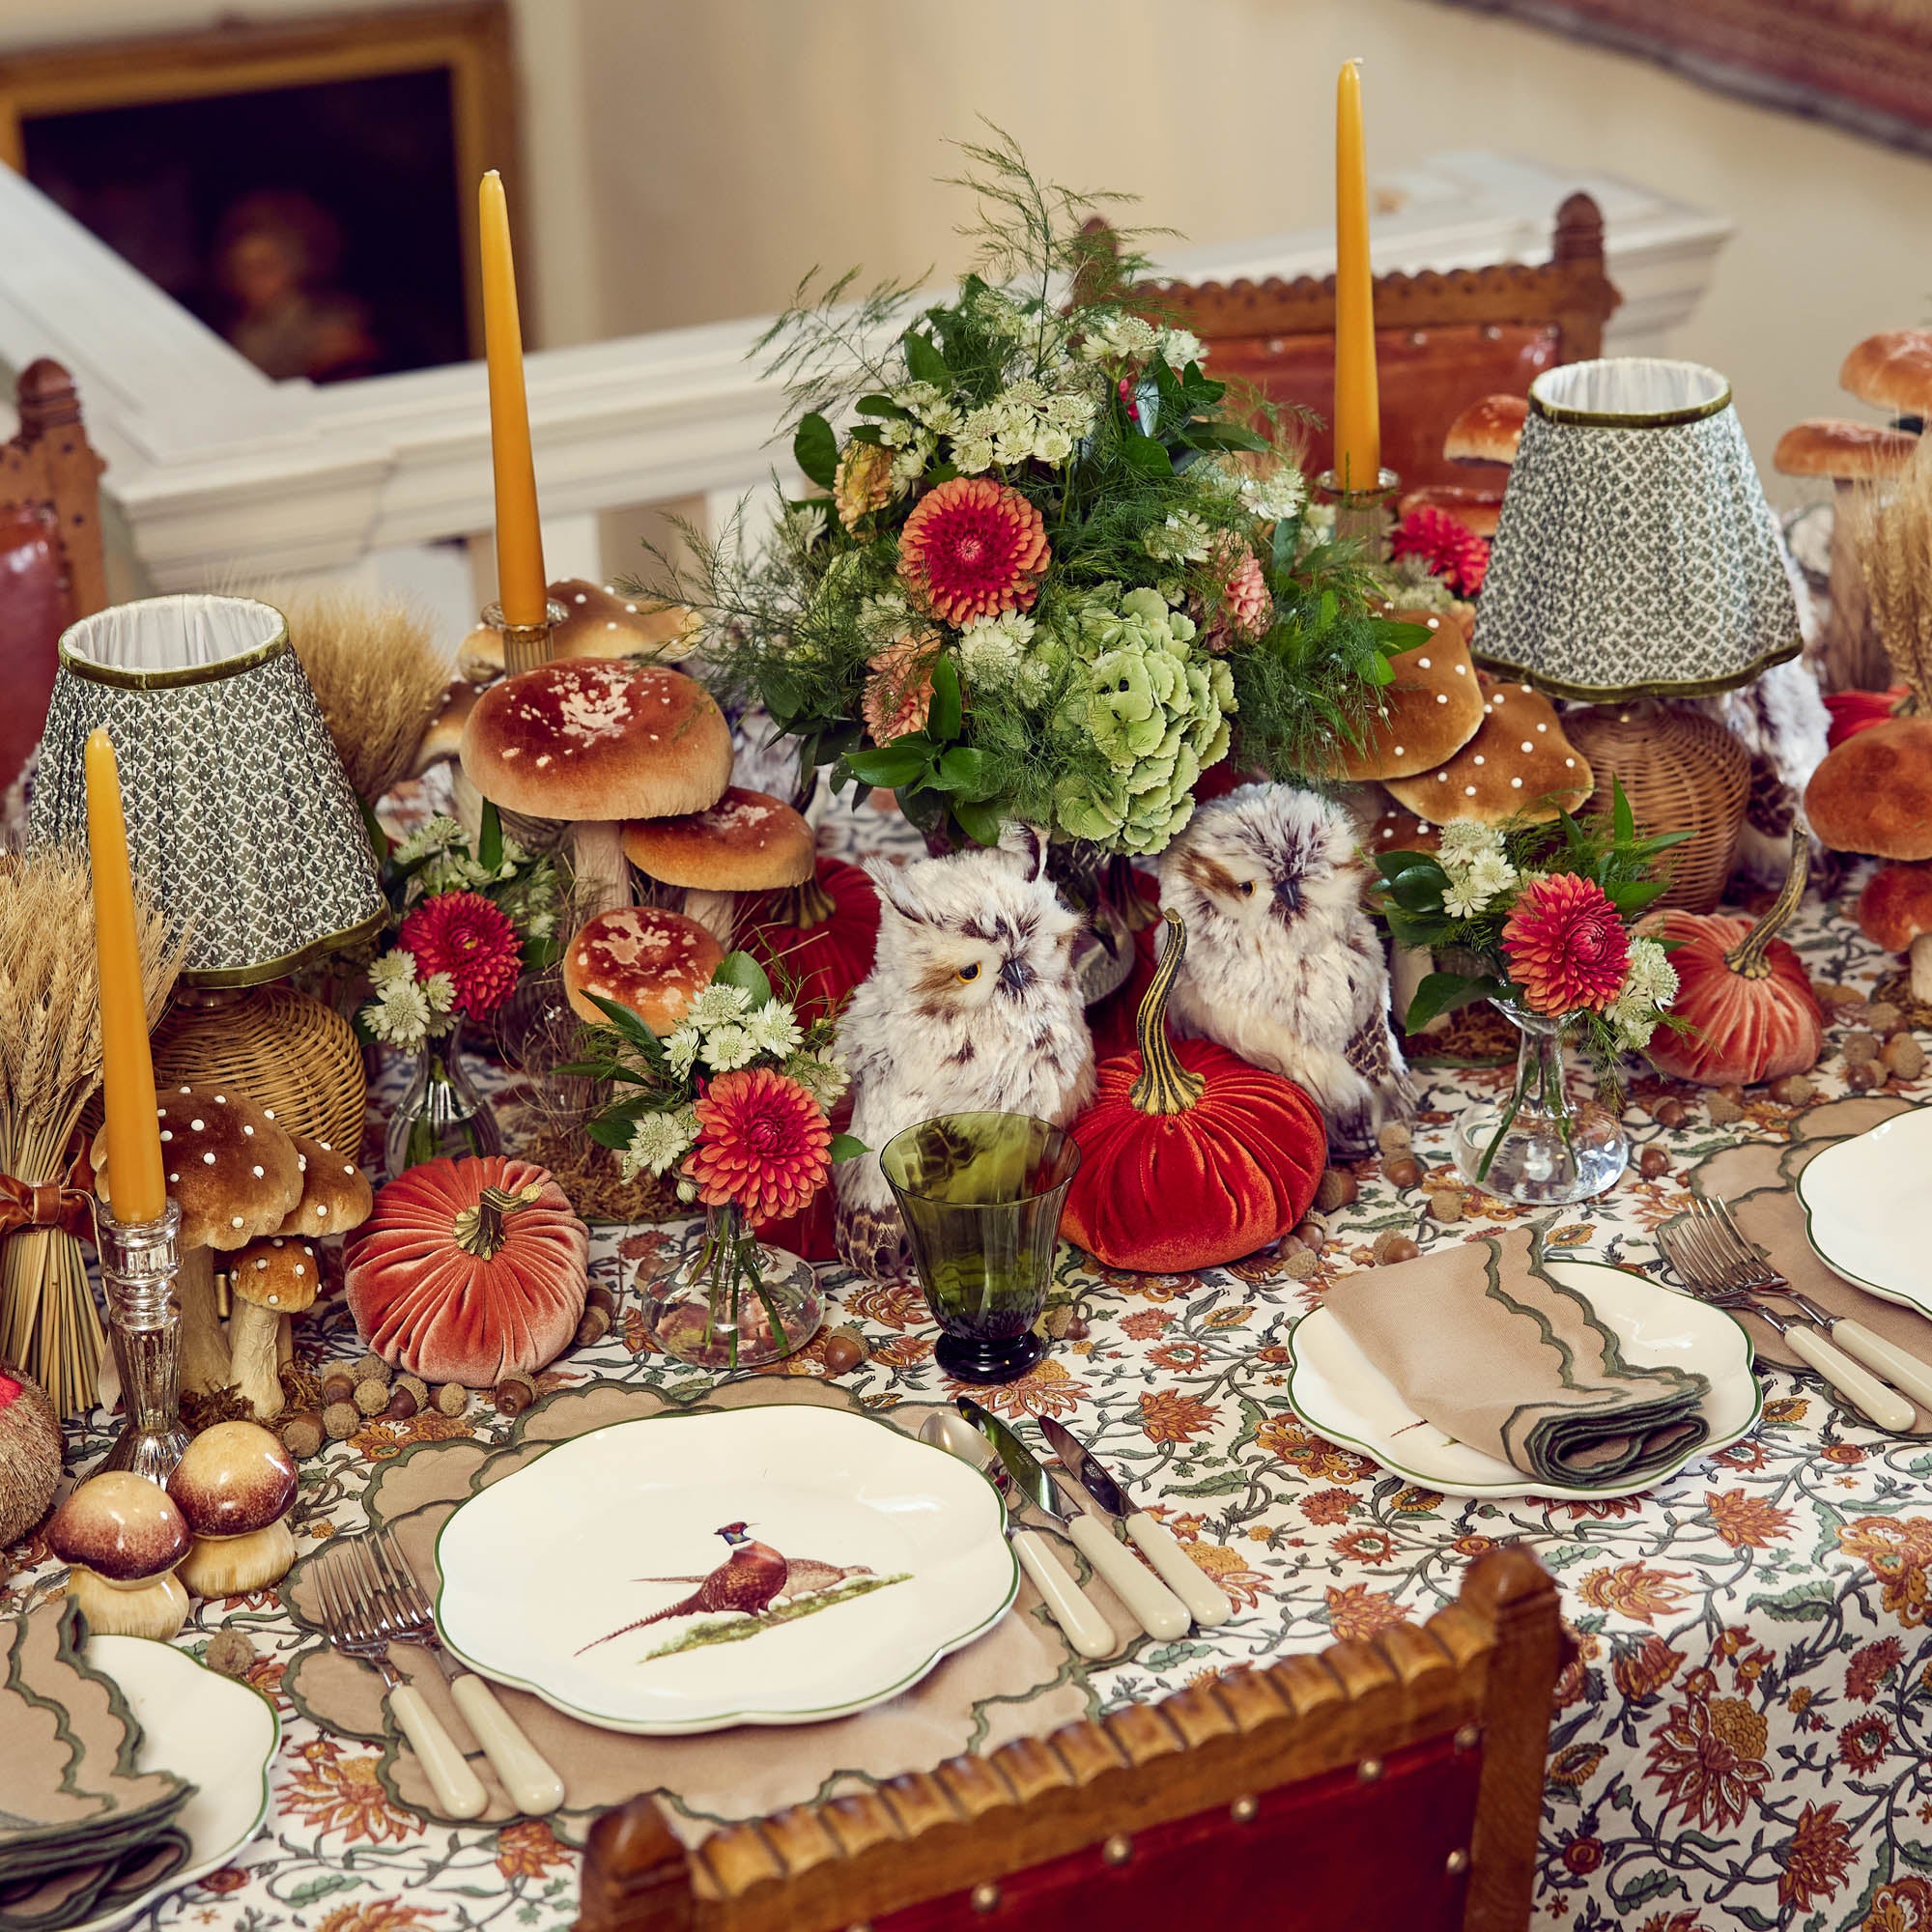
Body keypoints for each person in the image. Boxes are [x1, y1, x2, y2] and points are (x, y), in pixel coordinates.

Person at [213, 189, 378, 383]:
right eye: (241, 270)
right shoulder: (244, 330)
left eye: (264, 267)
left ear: (297, 266)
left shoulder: (332, 323)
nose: (250, 281)